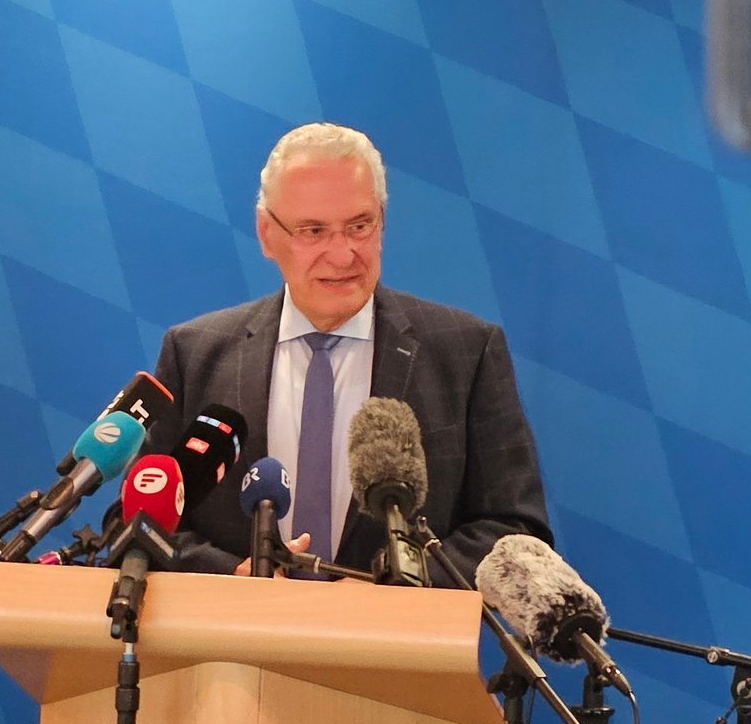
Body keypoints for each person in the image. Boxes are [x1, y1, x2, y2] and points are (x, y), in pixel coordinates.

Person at [148, 123, 551, 584]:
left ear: (381, 220)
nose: (342, 255)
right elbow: (140, 524)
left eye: (359, 226)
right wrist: (231, 577)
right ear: (266, 233)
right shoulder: (194, 353)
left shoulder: (465, 352)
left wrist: (391, 587)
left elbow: (516, 532)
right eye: (313, 231)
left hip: (396, 649)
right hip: (229, 648)